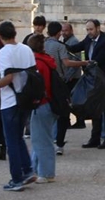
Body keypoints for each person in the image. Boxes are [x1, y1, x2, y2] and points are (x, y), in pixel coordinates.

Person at [0, 21, 36, 191]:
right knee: (18, 137)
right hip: (26, 98)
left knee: (11, 140)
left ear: (0, 37)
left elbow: (8, 77)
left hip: (10, 100)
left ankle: (16, 178)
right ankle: (27, 169)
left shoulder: (4, 52)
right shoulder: (26, 49)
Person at [67, 19, 105, 150]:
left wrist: (86, 63)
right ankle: (95, 138)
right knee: (96, 109)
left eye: (91, 29)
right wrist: (62, 46)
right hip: (97, 81)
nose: (89, 32)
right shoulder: (88, 39)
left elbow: (97, 61)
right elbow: (77, 47)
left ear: (98, 28)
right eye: (87, 30)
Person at [27, 34, 58, 182]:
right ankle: (35, 168)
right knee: (40, 138)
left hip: (41, 103)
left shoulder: (36, 63)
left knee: (42, 140)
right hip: (49, 102)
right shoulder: (46, 60)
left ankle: (46, 173)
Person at [43, 21, 73, 154]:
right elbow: (66, 62)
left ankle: (48, 140)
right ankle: (59, 142)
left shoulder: (42, 44)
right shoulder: (60, 46)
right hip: (58, 81)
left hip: (44, 80)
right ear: (58, 33)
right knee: (63, 112)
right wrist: (83, 62)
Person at [61, 22, 87, 129]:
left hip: (72, 77)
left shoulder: (73, 42)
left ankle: (80, 120)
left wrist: (68, 76)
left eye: (66, 30)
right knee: (68, 100)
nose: (64, 33)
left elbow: (75, 60)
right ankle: (71, 120)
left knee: (71, 100)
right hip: (68, 75)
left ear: (71, 31)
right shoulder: (65, 41)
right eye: (62, 31)